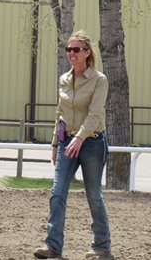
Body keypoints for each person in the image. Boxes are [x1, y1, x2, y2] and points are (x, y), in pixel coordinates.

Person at [34, 30, 112, 260]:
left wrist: (80, 138)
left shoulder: (99, 80)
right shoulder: (64, 79)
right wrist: (55, 143)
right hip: (67, 142)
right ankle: (52, 245)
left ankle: (101, 246)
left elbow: (95, 114)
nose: (71, 53)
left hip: (92, 143)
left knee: (94, 195)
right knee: (57, 192)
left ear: (87, 53)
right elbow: (60, 114)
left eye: (76, 49)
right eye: (69, 49)